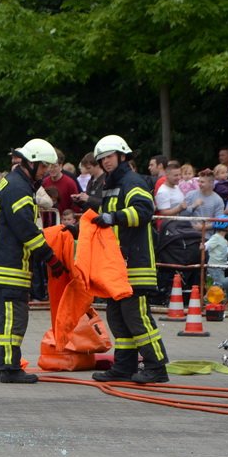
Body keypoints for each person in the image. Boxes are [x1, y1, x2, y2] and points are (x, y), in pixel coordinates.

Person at [0, 139, 65, 384]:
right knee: (13, 320)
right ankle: (10, 368)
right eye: (43, 166)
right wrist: (51, 258)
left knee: (0, 320)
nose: (46, 171)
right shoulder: (19, 188)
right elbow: (25, 230)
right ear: (31, 162)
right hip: (9, 267)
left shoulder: (14, 182)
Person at [91, 134, 169, 384]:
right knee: (117, 317)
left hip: (135, 263)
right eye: (102, 159)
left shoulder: (132, 181)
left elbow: (145, 210)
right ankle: (124, 366)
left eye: (110, 157)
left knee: (137, 317)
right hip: (117, 266)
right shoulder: (110, 184)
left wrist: (113, 217)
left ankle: (156, 367)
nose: (106, 162)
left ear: (122, 156)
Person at [183, 169, 225, 238]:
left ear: (211, 183)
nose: (199, 184)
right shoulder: (190, 195)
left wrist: (203, 227)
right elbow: (182, 214)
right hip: (188, 234)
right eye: (199, 181)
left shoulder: (218, 200)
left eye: (202, 182)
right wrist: (193, 206)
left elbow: (219, 221)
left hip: (207, 237)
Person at [205, 216, 228, 285]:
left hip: (220, 266)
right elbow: (206, 246)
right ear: (227, 228)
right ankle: (209, 295)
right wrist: (203, 246)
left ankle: (209, 295)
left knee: (217, 284)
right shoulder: (216, 237)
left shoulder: (224, 240)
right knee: (221, 283)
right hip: (215, 266)